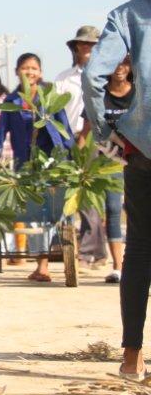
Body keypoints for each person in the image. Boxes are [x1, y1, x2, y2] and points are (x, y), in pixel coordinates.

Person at [82, 0, 151, 382]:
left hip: (143, 150)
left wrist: (109, 132)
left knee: (141, 250)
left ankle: (131, 358)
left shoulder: (126, 17)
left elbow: (93, 77)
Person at [0, 52, 74, 282]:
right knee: (35, 215)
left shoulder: (51, 97)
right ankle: (42, 264)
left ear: (41, 73)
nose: (30, 72)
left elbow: (64, 129)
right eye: (25, 68)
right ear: (18, 71)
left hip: (51, 163)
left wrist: (70, 156)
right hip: (24, 165)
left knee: (52, 213)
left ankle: (44, 263)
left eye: (34, 68)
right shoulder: (10, 102)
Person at [81, 55, 133, 282]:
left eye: (125, 63)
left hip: (139, 159)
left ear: (131, 66)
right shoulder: (98, 95)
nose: (119, 68)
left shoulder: (140, 93)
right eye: (115, 63)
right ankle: (118, 266)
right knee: (113, 210)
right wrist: (80, 162)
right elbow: (85, 132)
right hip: (109, 161)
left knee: (138, 212)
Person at [56, 25, 100, 136]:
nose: (86, 46)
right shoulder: (63, 78)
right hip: (71, 139)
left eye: (91, 43)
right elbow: (54, 112)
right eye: (82, 42)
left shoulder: (110, 77)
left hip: (102, 140)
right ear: (76, 47)